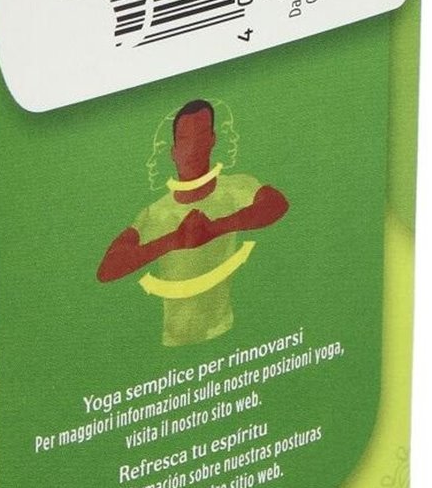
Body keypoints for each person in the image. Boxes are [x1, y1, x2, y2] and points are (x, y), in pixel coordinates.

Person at [97, 100, 289, 346]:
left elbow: (275, 203)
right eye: (185, 139)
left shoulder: (235, 187)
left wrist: (215, 228)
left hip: (228, 334)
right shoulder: (155, 213)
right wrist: (175, 240)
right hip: (173, 343)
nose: (193, 148)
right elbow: (108, 268)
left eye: (201, 137)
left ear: (212, 140)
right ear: (174, 151)